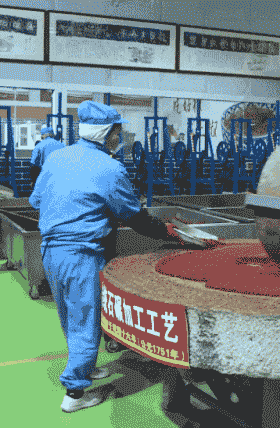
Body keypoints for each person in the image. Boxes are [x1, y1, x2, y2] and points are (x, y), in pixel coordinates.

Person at [29, 101, 186, 413]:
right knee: (86, 320)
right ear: (105, 133)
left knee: (70, 315)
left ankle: (85, 367)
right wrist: (168, 232)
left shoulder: (57, 158)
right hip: (82, 255)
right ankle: (75, 393)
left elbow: (36, 200)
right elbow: (135, 217)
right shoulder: (110, 168)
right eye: (117, 131)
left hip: (51, 251)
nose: (120, 137)